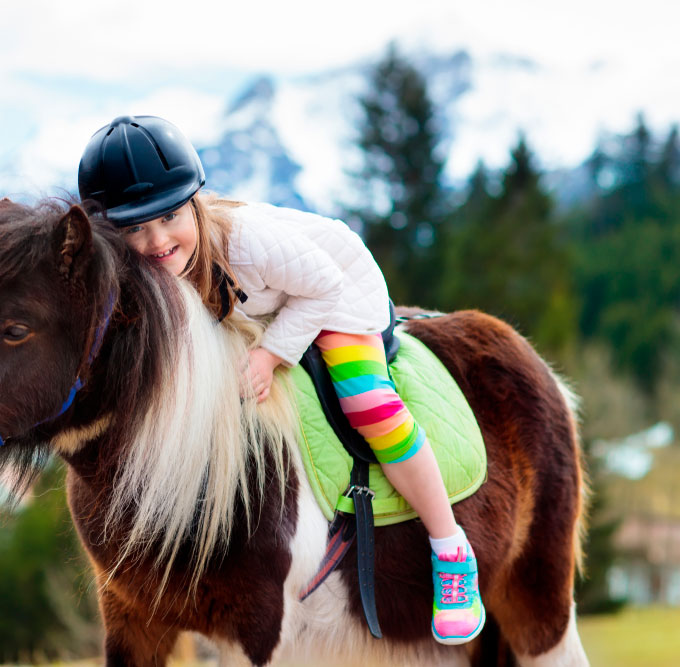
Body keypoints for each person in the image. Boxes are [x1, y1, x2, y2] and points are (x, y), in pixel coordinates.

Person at [77, 115, 485, 645]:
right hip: (265, 305)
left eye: (170, 215)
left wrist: (270, 356)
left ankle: (449, 548)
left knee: (368, 404)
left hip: (334, 291)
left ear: (195, 203)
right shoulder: (151, 268)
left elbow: (322, 286)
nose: (155, 240)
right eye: (133, 228)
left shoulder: (249, 243)